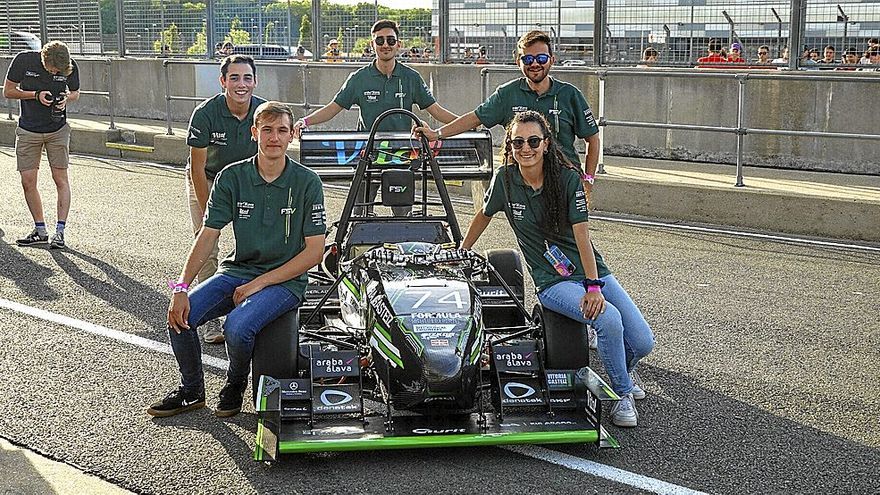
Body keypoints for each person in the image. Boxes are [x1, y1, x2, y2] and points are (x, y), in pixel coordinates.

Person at [461, 111, 654, 427]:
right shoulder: (504, 181)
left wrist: (593, 285)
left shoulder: (567, 178)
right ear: (509, 146)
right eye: (518, 142)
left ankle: (623, 369)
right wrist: (462, 251)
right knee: (608, 320)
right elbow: (483, 215)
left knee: (643, 342)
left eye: (533, 141)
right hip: (552, 282)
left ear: (546, 144)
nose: (526, 148)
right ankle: (622, 396)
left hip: (592, 271)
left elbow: (582, 235)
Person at [148, 101, 326, 419]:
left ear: (290, 137)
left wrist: (259, 284)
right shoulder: (232, 177)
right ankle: (191, 392)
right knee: (178, 318)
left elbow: (313, 253)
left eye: (282, 131)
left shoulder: (307, 182)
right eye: (267, 130)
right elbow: (207, 235)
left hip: (284, 280)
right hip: (238, 270)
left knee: (237, 328)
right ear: (254, 133)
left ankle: (235, 382)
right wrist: (180, 287)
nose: (274, 137)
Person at [415, 30, 601, 206]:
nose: (534, 63)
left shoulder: (570, 94)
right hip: (523, 184)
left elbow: (592, 139)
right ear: (517, 61)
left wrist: (588, 180)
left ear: (552, 60)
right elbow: (475, 118)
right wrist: (437, 134)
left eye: (541, 58)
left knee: (573, 238)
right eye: (527, 58)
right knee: (530, 239)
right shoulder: (507, 94)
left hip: (564, 182)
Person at [185, 54, 266, 344]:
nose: (241, 84)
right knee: (207, 246)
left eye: (247, 78)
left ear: (255, 81)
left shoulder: (263, 112)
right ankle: (209, 319)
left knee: (258, 245)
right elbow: (196, 167)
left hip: (247, 182)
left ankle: (254, 309)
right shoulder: (205, 113)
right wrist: (211, 213)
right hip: (208, 179)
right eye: (234, 77)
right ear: (223, 82)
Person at [294, 20, 457, 135]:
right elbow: (332, 109)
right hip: (367, 151)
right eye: (379, 40)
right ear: (372, 45)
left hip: (401, 152)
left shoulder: (411, 77)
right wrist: (305, 121)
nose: (385, 45)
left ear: (398, 45)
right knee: (362, 186)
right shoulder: (359, 78)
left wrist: (469, 124)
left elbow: (436, 110)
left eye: (391, 40)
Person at [3, 40, 80, 249]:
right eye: (53, 69)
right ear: (43, 60)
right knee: (28, 181)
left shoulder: (68, 65)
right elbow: (8, 91)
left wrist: (66, 99)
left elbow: (75, 92)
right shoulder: (24, 60)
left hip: (57, 129)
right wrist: (35, 96)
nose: (56, 72)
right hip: (28, 129)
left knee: (60, 179)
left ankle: (60, 232)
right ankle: (40, 229)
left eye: (59, 71)